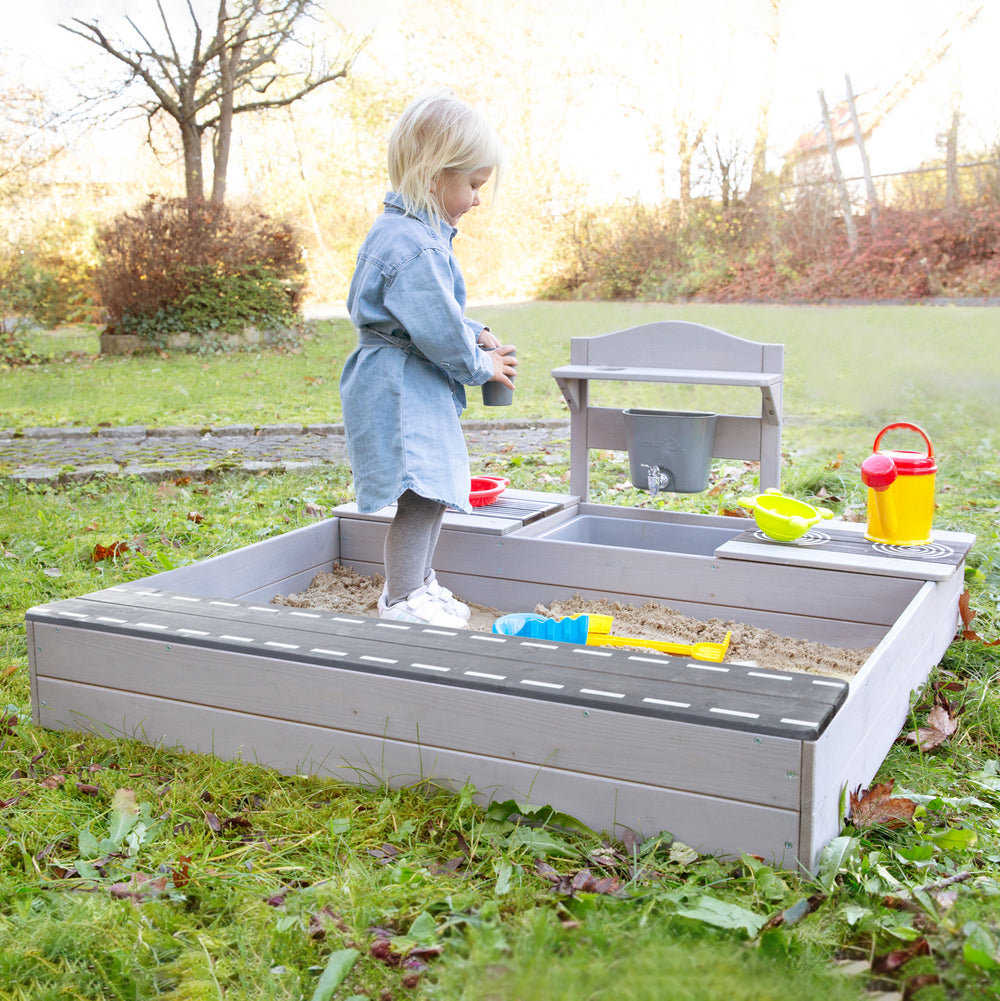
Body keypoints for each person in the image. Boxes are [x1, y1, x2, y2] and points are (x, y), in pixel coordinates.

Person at [339, 89, 517, 629]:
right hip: (399, 382)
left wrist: (476, 329)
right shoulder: (412, 244)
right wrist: (482, 365)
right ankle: (401, 599)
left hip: (411, 378)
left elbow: (432, 313)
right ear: (435, 175)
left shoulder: (415, 235)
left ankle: (418, 584)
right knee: (420, 491)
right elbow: (437, 332)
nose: (477, 200)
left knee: (436, 486)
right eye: (473, 186)